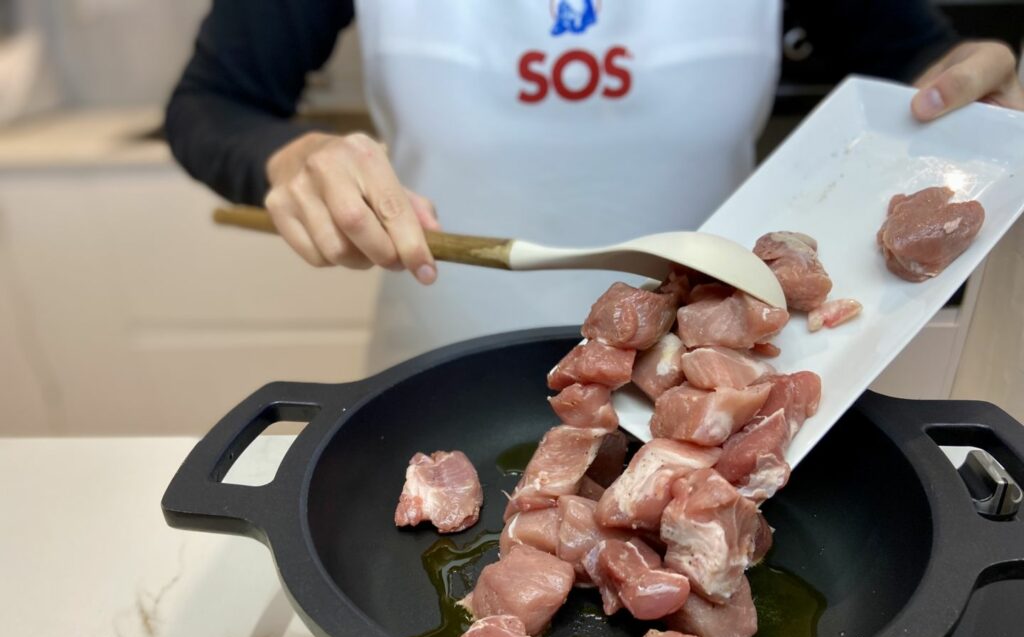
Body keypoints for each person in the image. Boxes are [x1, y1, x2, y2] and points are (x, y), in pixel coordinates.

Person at [165, 1, 1024, 373]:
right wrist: (291, 159)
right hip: (441, 378)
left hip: (712, 383)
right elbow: (214, 103)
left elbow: (920, 63)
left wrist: (970, 96)